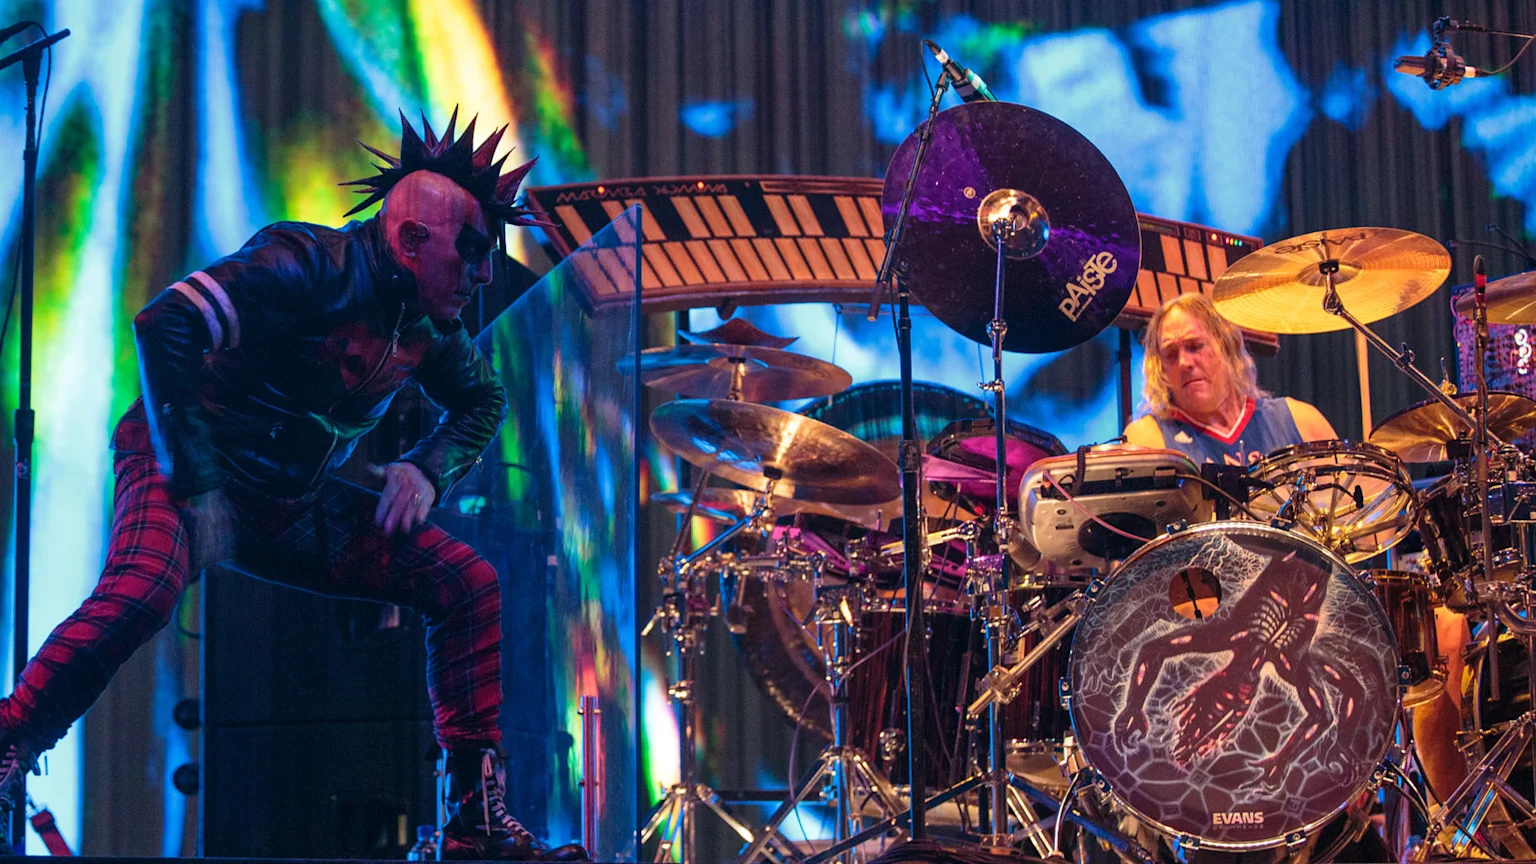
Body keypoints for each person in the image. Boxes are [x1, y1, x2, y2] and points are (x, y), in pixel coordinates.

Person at [0, 110, 587, 862]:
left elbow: (484, 401)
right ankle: (9, 745)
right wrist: (198, 480)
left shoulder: (429, 326)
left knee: (466, 584)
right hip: (184, 468)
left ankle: (473, 824)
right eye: (472, 252)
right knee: (143, 589)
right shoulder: (306, 262)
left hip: (284, 504)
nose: (482, 273)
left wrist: (428, 469)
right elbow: (165, 324)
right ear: (411, 241)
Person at [1124, 292, 1336, 460]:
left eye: (1195, 346)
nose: (1184, 362)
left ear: (1227, 346)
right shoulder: (1146, 442)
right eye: (1170, 354)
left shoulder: (1300, 421)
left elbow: (1352, 506)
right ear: (1160, 369)